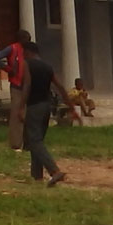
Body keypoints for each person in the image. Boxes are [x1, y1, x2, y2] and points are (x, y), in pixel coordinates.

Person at [21, 41, 68, 186]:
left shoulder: (27, 65)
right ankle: (37, 176)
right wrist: (70, 104)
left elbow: (27, 85)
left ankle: (54, 171)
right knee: (37, 140)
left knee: (34, 141)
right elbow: (60, 86)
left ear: (28, 52)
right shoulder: (48, 67)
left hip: (34, 106)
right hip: (46, 106)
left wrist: (20, 106)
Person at [0, 28, 31, 151]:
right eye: (26, 39)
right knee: (17, 115)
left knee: (28, 115)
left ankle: (28, 143)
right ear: (20, 39)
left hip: (28, 86)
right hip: (16, 86)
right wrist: (8, 69)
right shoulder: (12, 48)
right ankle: (15, 144)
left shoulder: (29, 50)